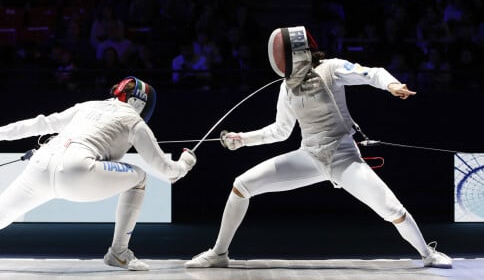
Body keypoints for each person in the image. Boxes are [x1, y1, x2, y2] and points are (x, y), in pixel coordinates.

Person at [184, 26, 453, 269]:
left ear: (299, 53)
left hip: (344, 157)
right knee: (241, 185)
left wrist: (391, 85)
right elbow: (280, 131)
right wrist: (242, 138)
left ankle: (427, 253)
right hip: (310, 157)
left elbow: (372, 73)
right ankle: (219, 253)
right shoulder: (287, 87)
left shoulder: (331, 68)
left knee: (391, 209)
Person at [0, 76, 197, 271]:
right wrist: (186, 163)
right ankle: (118, 252)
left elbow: (43, 123)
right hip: (78, 172)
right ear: (141, 103)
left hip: (41, 164)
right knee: (141, 177)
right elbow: (167, 172)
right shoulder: (135, 121)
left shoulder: (88, 106)